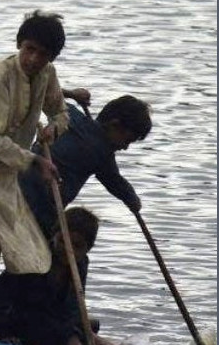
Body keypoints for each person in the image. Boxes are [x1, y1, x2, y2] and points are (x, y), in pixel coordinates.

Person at [0, 10, 91, 329]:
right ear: (21, 45)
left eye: (43, 54)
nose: (34, 59)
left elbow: (60, 111)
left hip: (5, 171)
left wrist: (54, 127)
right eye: (29, 49)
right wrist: (34, 161)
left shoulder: (47, 73)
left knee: (21, 247)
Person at [0, 207, 168, 345]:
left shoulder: (81, 264)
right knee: (71, 334)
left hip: (56, 327)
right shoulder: (35, 260)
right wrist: (6, 333)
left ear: (88, 248)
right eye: (63, 241)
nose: (68, 250)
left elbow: (73, 304)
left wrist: (77, 325)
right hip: (29, 327)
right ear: (54, 235)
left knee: (89, 335)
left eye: (77, 246)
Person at [20, 95, 151, 238]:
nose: (125, 147)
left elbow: (45, 91)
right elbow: (114, 181)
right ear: (114, 125)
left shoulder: (70, 114)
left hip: (17, 180)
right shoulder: (101, 152)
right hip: (41, 207)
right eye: (127, 140)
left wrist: (72, 94)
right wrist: (133, 200)